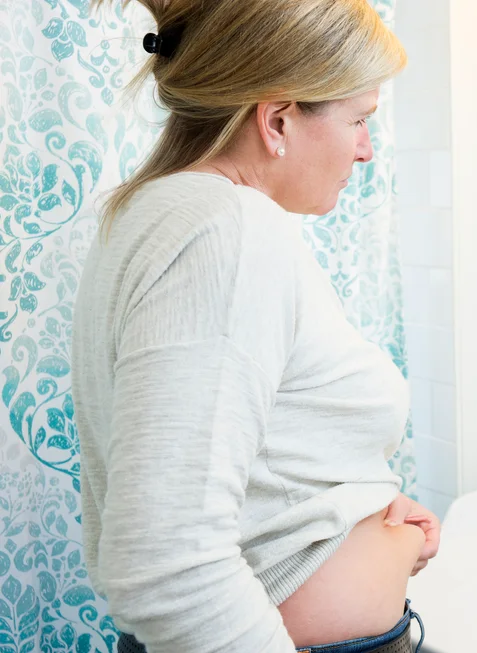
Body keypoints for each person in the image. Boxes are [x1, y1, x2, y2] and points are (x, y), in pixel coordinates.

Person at [71, 1, 439, 652]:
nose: (365, 150)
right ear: (276, 120)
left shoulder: (147, 215)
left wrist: (356, 505)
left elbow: (244, 457)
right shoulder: (228, 230)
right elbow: (164, 567)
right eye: (358, 119)